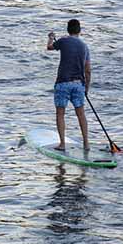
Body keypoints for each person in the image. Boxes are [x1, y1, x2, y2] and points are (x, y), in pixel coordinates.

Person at [47, 19, 91, 151]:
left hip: (63, 83)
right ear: (79, 30)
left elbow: (49, 47)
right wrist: (86, 88)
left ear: (68, 30)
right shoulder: (84, 46)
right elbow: (88, 70)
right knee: (81, 114)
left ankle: (62, 144)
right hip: (78, 84)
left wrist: (51, 38)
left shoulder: (63, 41)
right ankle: (86, 143)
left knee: (60, 114)